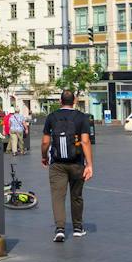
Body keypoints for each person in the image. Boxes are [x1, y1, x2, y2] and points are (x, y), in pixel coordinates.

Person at [41, 90, 94, 244]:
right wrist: (89, 164)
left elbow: (45, 142)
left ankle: (60, 230)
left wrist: (44, 156)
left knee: (58, 196)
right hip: (77, 162)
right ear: (75, 100)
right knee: (76, 195)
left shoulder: (51, 117)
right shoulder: (81, 117)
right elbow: (85, 141)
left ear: (60, 101)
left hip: (57, 164)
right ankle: (77, 228)